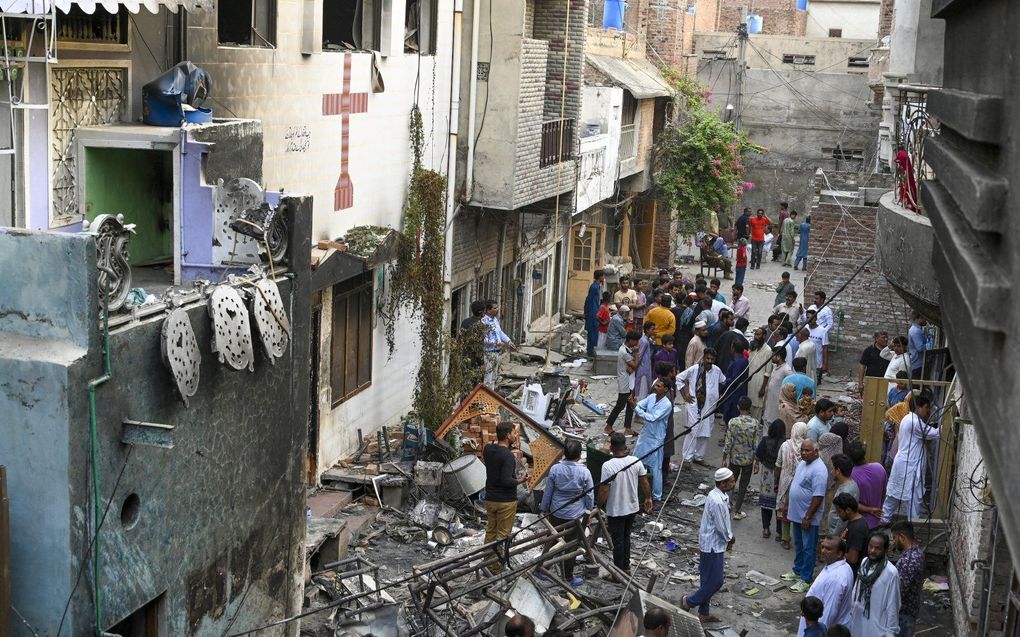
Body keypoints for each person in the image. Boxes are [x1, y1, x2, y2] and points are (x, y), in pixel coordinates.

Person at [681, 467, 736, 624]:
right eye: (731, 481)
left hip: (710, 543)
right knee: (716, 581)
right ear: (723, 484)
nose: (734, 483)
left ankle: (704, 612)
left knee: (707, 580)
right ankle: (689, 601)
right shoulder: (718, 501)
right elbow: (721, 527)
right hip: (713, 545)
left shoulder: (718, 495)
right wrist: (730, 538)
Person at [540, 440, 594, 586]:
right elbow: (589, 495)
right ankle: (568, 576)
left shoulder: (555, 469)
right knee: (571, 545)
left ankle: (541, 568)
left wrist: (544, 508)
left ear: (564, 453)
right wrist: (588, 514)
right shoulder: (584, 472)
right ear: (579, 455)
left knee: (551, 539)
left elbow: (548, 492)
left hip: (557, 511)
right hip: (575, 514)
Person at [599, 432, 652, 574]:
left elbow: (604, 490)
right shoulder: (636, 461)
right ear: (626, 446)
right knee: (626, 536)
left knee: (618, 541)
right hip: (632, 507)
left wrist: (598, 505)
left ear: (611, 447)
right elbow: (644, 482)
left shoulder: (608, 466)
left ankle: (618, 572)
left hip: (616, 509)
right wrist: (648, 498)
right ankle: (626, 567)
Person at [882, 394, 939, 522]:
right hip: (909, 464)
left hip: (904, 462)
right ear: (918, 408)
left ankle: (884, 520)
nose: (927, 411)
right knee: (913, 497)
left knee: (894, 495)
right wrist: (945, 425)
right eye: (926, 408)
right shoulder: (915, 422)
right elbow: (934, 433)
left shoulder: (908, 418)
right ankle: (913, 524)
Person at [782, 438, 829, 592]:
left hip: (808, 517)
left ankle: (806, 578)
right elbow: (796, 485)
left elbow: (818, 496)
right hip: (796, 513)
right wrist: (788, 504)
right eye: (802, 449)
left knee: (809, 548)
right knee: (799, 544)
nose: (803, 453)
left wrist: (808, 516)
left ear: (816, 452)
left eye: (807, 450)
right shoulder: (803, 463)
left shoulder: (819, 470)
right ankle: (797, 570)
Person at [483, 422, 526, 571]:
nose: (516, 436)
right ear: (507, 435)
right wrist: (521, 480)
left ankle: (486, 564)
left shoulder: (487, 449)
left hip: (490, 499)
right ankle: (495, 569)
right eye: (514, 433)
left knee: (490, 532)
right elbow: (507, 481)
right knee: (502, 535)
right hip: (505, 501)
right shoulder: (508, 456)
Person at [679, 349, 726, 466]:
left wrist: (717, 394)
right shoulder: (695, 369)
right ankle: (687, 458)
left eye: (712, 359)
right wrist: (685, 395)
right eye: (707, 358)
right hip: (695, 406)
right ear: (703, 358)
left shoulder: (717, 370)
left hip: (710, 407)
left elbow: (723, 382)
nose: (709, 361)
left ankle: (698, 457)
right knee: (693, 431)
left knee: (706, 432)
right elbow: (679, 378)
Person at [799, 537, 854, 636]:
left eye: (828, 549)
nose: (823, 551)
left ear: (839, 554)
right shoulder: (838, 567)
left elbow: (829, 613)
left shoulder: (836, 578)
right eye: (822, 547)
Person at [850, 532, 901, 636]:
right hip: (857, 621)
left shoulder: (891, 572)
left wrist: (891, 632)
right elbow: (856, 588)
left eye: (877, 548)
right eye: (871, 546)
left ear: (885, 550)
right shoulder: (864, 562)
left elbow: (893, 605)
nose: (872, 551)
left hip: (876, 627)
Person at [632, 379, 674, 501]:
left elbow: (653, 418)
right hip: (645, 436)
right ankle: (635, 488)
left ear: (665, 389)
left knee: (655, 469)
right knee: (635, 462)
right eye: (656, 385)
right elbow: (640, 405)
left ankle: (656, 496)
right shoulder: (651, 397)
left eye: (659, 386)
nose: (656, 387)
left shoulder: (667, 404)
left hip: (656, 439)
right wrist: (635, 404)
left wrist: (637, 409)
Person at [723, 397, 758, 520]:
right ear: (749, 408)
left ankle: (726, 506)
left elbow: (728, 442)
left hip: (734, 458)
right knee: (743, 484)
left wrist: (724, 458)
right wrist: (757, 461)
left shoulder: (733, 422)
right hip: (748, 459)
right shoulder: (754, 423)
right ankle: (737, 510)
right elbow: (755, 444)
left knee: (731, 482)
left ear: (738, 407)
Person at [776, 422, 809, 550]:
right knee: (799, 511)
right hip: (801, 484)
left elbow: (778, 464)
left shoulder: (785, 445)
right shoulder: (807, 447)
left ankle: (785, 539)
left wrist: (776, 481)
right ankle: (799, 539)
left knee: (785, 511)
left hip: (785, 483)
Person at [893, 521, 924, 637]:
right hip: (911, 610)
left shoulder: (908, 561)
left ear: (902, 537)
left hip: (904, 614)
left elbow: (899, 591)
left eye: (894, 538)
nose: (894, 542)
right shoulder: (917, 552)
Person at [606, 331, 641, 436]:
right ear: (630, 340)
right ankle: (608, 426)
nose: (636, 344)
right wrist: (637, 354)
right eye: (635, 341)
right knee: (620, 405)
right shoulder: (624, 352)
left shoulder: (626, 349)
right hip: (624, 382)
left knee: (630, 405)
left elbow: (631, 366)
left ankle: (628, 428)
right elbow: (635, 365)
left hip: (629, 381)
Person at [847, 441, 888, 529]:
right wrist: (877, 508)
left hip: (859, 523)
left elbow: (852, 504)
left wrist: (871, 510)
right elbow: (883, 493)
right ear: (864, 453)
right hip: (876, 520)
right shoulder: (879, 468)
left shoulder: (851, 476)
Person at [755, 419, 786, 539]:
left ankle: (766, 529)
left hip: (767, 475)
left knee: (765, 504)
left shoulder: (765, 441)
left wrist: (758, 464)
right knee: (779, 505)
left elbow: (758, 455)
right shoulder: (785, 444)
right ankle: (779, 532)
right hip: (780, 476)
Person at [833, 493, 870, 575]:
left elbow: (852, 558)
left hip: (851, 572)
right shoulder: (852, 521)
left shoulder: (857, 528)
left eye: (839, 511)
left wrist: (834, 551)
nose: (838, 514)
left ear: (848, 510)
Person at [482, 300, 516, 387]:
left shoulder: (495, 320)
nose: (497, 309)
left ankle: (491, 398)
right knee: (488, 378)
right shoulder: (484, 322)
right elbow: (484, 339)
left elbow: (500, 332)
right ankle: (486, 399)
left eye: (497, 307)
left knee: (493, 377)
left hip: (496, 353)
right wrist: (497, 343)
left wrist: (508, 341)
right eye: (495, 308)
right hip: (488, 353)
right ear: (488, 310)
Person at [828, 455, 860, 536]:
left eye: (833, 469)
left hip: (837, 534)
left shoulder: (847, 490)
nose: (831, 472)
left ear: (838, 471)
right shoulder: (849, 484)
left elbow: (843, 519)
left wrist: (834, 535)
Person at [720, 335, 750, 423]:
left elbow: (734, 379)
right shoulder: (743, 360)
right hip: (739, 393)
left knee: (731, 418)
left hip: (733, 395)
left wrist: (723, 381)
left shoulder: (738, 362)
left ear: (733, 348)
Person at [762, 348, 792, 426]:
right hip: (770, 402)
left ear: (778, 357)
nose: (771, 357)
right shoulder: (775, 367)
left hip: (777, 404)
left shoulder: (787, 370)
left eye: (773, 355)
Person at [805, 307, 829, 384]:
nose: (809, 320)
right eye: (807, 318)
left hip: (817, 363)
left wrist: (824, 365)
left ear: (815, 318)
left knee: (815, 384)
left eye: (811, 318)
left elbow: (825, 348)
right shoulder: (805, 328)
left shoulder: (823, 331)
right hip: (806, 362)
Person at [584, 270, 606, 356]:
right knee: (593, 331)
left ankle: (591, 350)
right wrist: (586, 311)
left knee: (593, 331)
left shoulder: (598, 286)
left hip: (596, 309)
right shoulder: (594, 287)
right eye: (603, 276)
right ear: (600, 277)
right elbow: (589, 299)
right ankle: (591, 351)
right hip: (593, 311)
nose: (604, 278)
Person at [635, 321, 657, 400]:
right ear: (647, 330)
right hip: (643, 368)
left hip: (646, 366)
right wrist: (636, 367)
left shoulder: (647, 339)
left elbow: (653, 343)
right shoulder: (644, 341)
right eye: (652, 329)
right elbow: (639, 356)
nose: (654, 331)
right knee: (642, 390)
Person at [907, 312, 931, 379]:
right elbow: (920, 348)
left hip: (918, 363)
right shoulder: (915, 331)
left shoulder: (917, 329)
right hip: (918, 364)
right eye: (924, 318)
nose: (926, 320)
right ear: (918, 318)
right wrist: (930, 342)